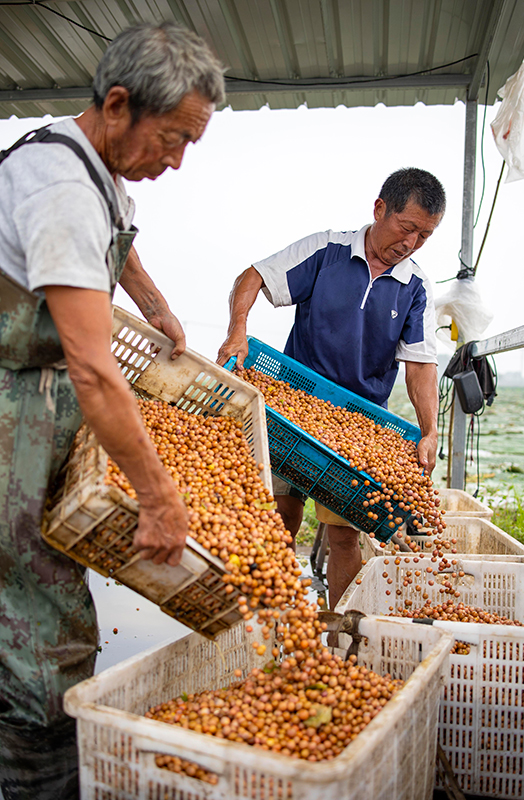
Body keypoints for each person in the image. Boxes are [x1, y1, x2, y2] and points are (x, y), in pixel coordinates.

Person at [0, 21, 225, 799]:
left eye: (189, 141)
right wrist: (161, 499)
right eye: (172, 137)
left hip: (38, 396)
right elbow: (96, 371)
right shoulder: (60, 187)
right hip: (9, 405)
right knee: (33, 618)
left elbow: (113, 244)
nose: (176, 159)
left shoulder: (92, 165)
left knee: (36, 587)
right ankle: (39, 775)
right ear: (120, 104)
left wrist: (155, 304)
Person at [217, 168, 445, 613]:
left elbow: (420, 365)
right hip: (291, 408)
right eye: (407, 228)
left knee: (343, 533)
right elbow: (253, 277)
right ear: (380, 209)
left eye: (424, 236)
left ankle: (340, 633)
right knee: (279, 515)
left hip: (357, 424)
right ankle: (268, 618)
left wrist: (430, 430)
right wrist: (237, 329)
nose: (411, 243)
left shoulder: (415, 286)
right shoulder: (327, 250)